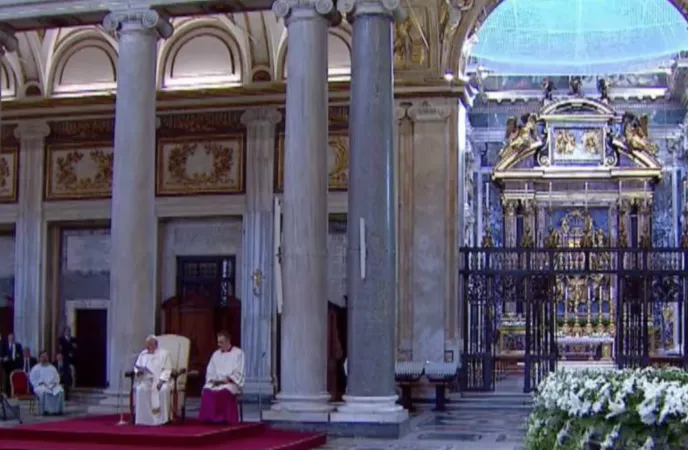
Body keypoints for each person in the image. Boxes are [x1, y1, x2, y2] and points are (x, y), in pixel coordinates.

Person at [198, 331, 245, 424]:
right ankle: (209, 419)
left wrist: (226, 380)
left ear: (228, 341)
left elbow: (239, 371)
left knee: (224, 392)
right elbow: (210, 371)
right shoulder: (216, 354)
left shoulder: (238, 353)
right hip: (217, 382)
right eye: (218, 342)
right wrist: (214, 380)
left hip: (231, 383)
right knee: (207, 390)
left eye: (221, 342)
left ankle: (224, 419)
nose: (219, 344)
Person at [133, 335, 172, 426]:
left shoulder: (165, 354)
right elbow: (137, 366)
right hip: (146, 380)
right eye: (146, 345)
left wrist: (161, 381)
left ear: (155, 345)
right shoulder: (143, 354)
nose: (147, 348)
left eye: (149, 345)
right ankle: (144, 419)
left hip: (160, 381)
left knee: (163, 390)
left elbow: (167, 369)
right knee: (141, 389)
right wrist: (138, 372)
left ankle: (162, 419)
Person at [29, 351, 65, 416]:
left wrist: (54, 384)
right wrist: (40, 383)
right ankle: (46, 411)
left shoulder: (52, 368)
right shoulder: (35, 368)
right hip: (40, 386)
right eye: (42, 357)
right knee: (45, 391)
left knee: (60, 390)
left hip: (52, 385)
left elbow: (57, 378)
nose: (44, 358)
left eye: (45, 356)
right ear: (39, 358)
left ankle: (57, 410)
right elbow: (32, 379)